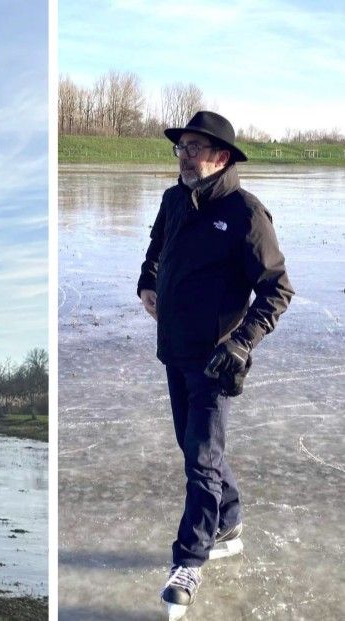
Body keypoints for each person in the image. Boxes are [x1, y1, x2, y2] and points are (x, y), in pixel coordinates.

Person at [136, 111, 294, 617]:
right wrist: (146, 280)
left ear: (220, 157)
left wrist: (243, 342)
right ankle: (229, 517)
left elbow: (277, 289)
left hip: (216, 358)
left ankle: (189, 562)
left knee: (200, 460)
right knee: (193, 445)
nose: (183, 156)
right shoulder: (173, 199)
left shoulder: (246, 214)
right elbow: (157, 246)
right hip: (174, 347)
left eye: (194, 148)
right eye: (180, 147)